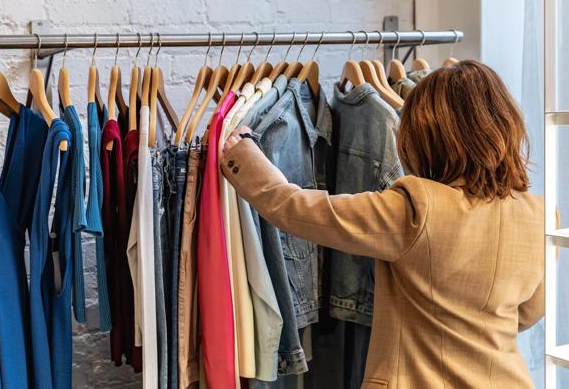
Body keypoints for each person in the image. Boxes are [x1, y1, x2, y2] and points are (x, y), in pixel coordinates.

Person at [221, 60, 544, 389]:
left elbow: (300, 209)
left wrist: (242, 155)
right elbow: (527, 314)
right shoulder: (538, 214)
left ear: (428, 138)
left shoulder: (417, 209)